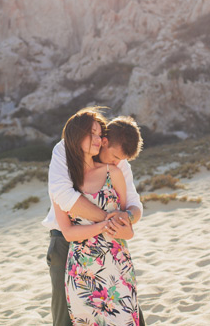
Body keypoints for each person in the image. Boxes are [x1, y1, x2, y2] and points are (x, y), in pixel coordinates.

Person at [43, 108, 145, 325]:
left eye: (99, 135)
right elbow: (63, 195)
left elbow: (134, 205)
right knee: (65, 317)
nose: (119, 162)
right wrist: (108, 221)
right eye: (116, 157)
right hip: (66, 241)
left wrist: (126, 219)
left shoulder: (117, 165)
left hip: (109, 247)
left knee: (129, 313)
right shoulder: (63, 151)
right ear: (106, 143)